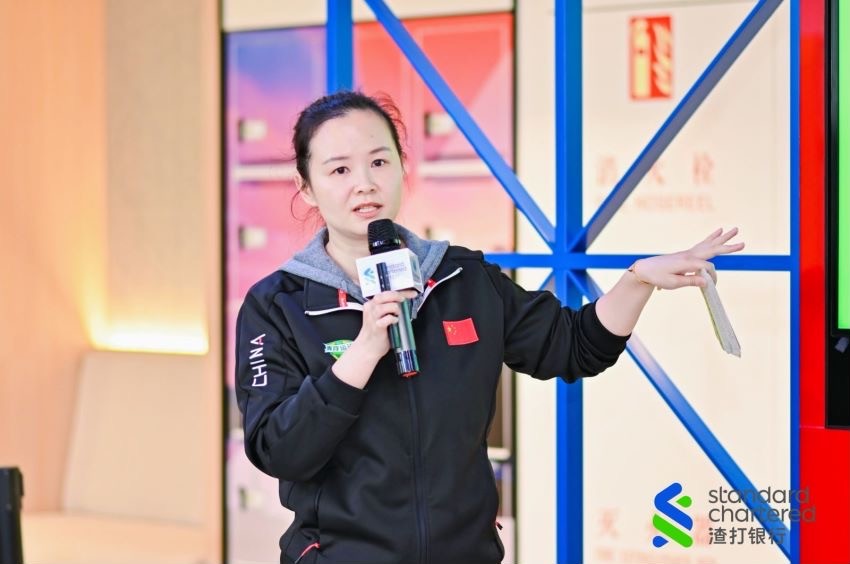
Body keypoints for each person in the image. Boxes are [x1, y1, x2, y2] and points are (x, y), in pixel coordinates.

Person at [234, 90, 745, 564]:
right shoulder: (276, 306)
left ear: (403, 166)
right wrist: (364, 351)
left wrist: (638, 280)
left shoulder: (463, 278)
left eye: (379, 161)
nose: (364, 182)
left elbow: (574, 346)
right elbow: (279, 450)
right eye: (340, 169)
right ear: (306, 186)